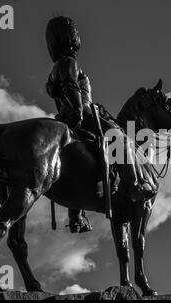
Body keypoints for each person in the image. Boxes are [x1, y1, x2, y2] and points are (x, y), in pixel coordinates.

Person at [45, 16, 155, 233]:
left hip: (65, 116)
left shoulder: (54, 69)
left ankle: (76, 215)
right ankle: (135, 187)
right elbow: (72, 89)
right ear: (71, 38)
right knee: (119, 136)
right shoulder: (69, 62)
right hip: (83, 114)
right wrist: (78, 111)